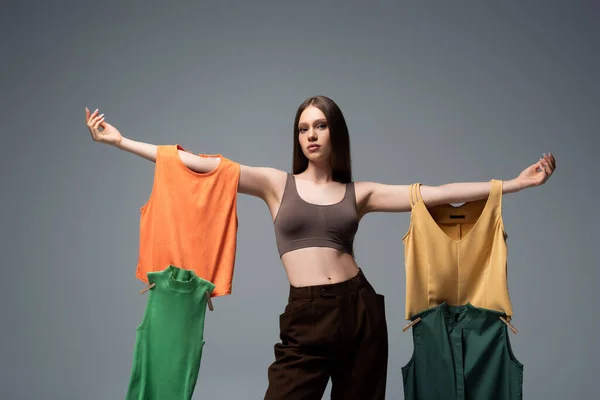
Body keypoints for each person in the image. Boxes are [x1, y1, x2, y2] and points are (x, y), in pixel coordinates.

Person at [84, 95, 556, 399]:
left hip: (359, 311)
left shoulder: (361, 193)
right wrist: (121, 141)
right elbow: (200, 164)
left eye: (320, 126)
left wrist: (512, 184)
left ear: (335, 134)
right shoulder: (275, 184)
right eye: (303, 128)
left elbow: (433, 192)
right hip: (306, 313)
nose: (310, 134)